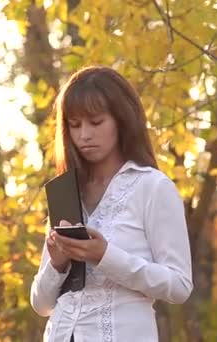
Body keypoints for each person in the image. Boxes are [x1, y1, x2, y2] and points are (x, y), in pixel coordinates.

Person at [30, 66, 193, 342]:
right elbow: (42, 305)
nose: (84, 135)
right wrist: (57, 265)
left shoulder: (153, 187)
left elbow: (179, 286)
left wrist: (105, 256)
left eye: (95, 122)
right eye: (75, 124)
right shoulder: (65, 193)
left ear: (121, 120)